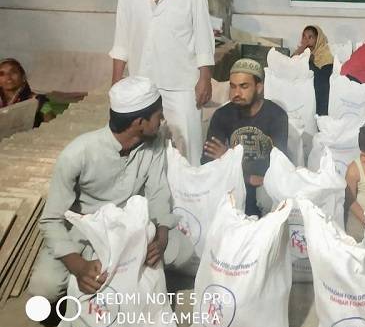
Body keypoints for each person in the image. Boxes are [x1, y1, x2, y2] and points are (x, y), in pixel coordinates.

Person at [28, 77, 189, 312]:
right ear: (139, 122)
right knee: (44, 290)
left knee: (183, 252)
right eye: (158, 115)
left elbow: (158, 193)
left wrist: (161, 236)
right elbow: (50, 220)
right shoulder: (78, 153)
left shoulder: (153, 143)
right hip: (83, 232)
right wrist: (79, 267)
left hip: (127, 229)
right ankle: (89, 279)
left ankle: (105, 277)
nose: (162, 119)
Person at [109, 0, 215, 166]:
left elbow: (203, 37)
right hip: (142, 86)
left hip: (182, 86)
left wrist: (205, 78)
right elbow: (121, 38)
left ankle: (191, 200)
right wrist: (115, 82)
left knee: (187, 151)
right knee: (144, 154)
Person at [202, 59, 288, 217]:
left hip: (265, 184)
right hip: (233, 182)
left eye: (244, 86)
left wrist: (228, 158)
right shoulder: (222, 115)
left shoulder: (276, 115)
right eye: (233, 86)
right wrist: (246, 176)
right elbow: (208, 163)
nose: (236, 94)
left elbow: (281, 165)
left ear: (259, 87)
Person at [293, 24, 334, 115]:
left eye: (310, 37)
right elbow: (290, 63)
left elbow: (323, 78)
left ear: (318, 39)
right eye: (304, 37)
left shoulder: (325, 55)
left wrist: (310, 62)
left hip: (319, 93)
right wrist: (302, 49)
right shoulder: (302, 52)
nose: (306, 40)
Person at [0, 57, 53, 127]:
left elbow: (52, 124)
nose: (8, 77)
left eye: (13, 72)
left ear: (23, 77)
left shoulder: (39, 101)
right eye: (2, 74)